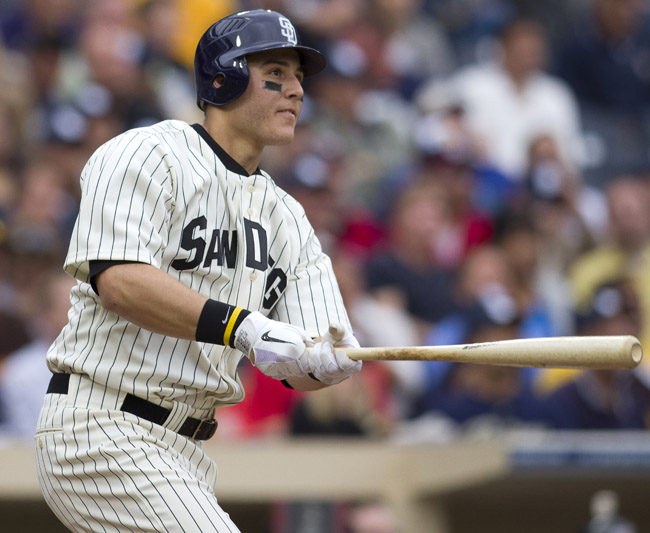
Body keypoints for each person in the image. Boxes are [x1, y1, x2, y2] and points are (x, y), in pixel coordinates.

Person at [34, 9, 362, 533]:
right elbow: (120, 281)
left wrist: (326, 362)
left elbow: (309, 352)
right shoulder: (148, 153)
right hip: (103, 426)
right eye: (276, 73)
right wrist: (244, 327)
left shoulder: (289, 219)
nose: (296, 90)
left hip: (188, 450)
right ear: (223, 76)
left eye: (299, 77)